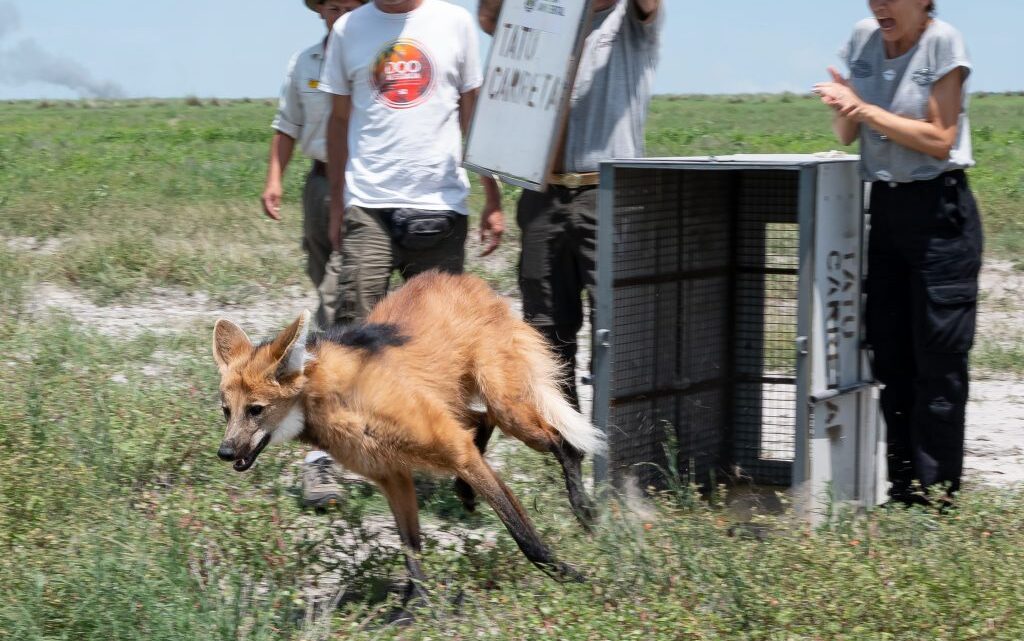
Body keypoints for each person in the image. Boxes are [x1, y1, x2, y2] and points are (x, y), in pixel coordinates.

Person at [814, 0, 982, 507]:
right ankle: (903, 490)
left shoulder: (942, 41)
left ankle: (938, 497)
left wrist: (864, 108)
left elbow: (940, 138)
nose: (879, 5)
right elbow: (848, 134)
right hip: (886, 210)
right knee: (891, 356)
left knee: (938, 362)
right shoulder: (863, 38)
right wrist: (844, 107)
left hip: (939, 214)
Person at [477, 0, 662, 410]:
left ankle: (620, 436)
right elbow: (489, 18)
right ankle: (564, 437)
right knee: (545, 327)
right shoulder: (545, 17)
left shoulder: (630, 21)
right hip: (544, 193)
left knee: (618, 322)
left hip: (609, 191)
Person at [318, 0, 505, 326]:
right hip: (368, 205)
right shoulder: (348, 29)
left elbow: (472, 116)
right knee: (354, 332)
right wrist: (337, 206)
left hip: (440, 204)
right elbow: (339, 120)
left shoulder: (456, 22)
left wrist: (492, 196)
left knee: (440, 333)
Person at [261, 0, 366, 508]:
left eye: (348, 4)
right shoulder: (304, 62)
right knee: (333, 304)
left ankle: (336, 443)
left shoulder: (376, 51)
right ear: (318, 9)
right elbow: (287, 124)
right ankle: (332, 441)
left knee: (346, 311)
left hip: (372, 189)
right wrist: (275, 178)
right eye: (329, 4)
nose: (338, 11)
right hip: (322, 185)